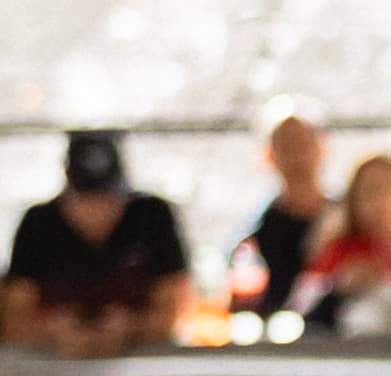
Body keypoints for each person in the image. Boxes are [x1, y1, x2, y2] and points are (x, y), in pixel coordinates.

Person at [5, 130, 190, 358]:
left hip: (143, 370)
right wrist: (52, 331)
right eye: (85, 203)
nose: (97, 214)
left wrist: (130, 328)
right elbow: (14, 316)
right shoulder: (38, 223)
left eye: (107, 201)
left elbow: (174, 307)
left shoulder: (152, 216)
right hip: (47, 371)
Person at [296, 147, 391, 342]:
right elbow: (302, 312)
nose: (381, 200)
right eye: (370, 190)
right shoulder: (338, 252)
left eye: (389, 188)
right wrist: (341, 287)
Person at [230, 111, 332, 318]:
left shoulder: (350, 220)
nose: (297, 156)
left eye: (303, 144)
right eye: (286, 146)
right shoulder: (254, 237)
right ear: (269, 156)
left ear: (322, 148)